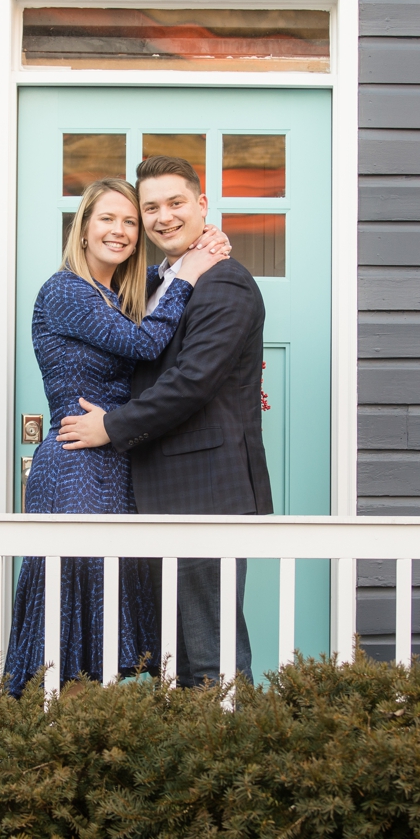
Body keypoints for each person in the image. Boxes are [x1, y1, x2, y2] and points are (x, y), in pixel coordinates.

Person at [3, 178, 230, 697]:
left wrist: (185, 256)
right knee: (74, 615)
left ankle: (89, 750)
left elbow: (142, 289)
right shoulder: (64, 290)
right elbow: (145, 341)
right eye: (107, 218)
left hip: (114, 466)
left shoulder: (113, 294)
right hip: (76, 466)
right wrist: (188, 274)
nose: (121, 230)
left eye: (131, 222)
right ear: (83, 228)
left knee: (104, 619)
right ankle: (53, 749)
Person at [58, 154, 271, 689]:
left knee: (210, 655)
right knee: (171, 661)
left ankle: (232, 766)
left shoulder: (227, 285)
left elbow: (192, 383)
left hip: (207, 496)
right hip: (155, 494)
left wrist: (113, 427)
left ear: (202, 206)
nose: (162, 217)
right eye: (149, 208)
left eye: (175, 203)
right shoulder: (160, 282)